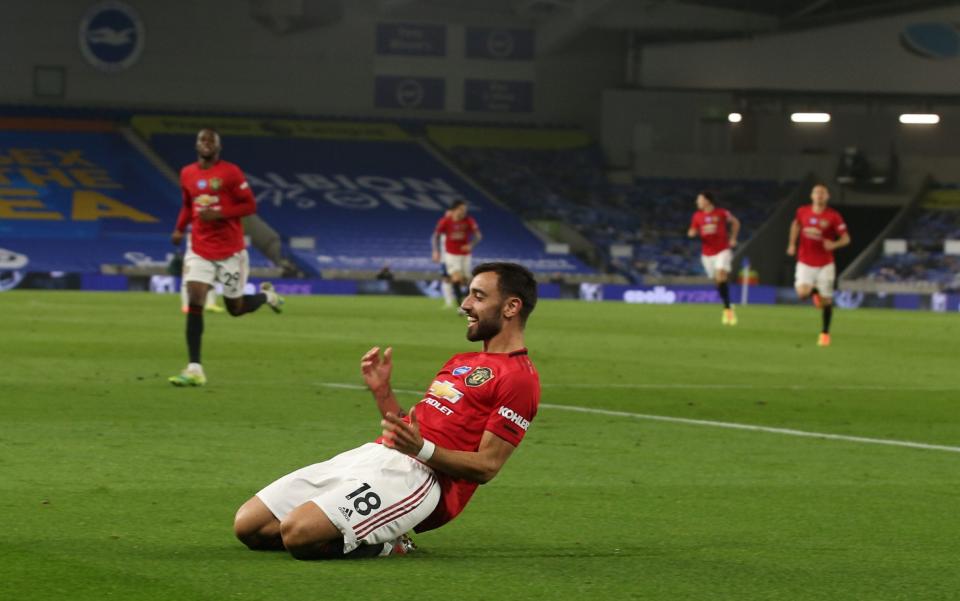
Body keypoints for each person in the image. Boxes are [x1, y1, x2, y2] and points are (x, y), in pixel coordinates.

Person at [233, 262, 540, 560]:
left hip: (422, 479)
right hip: (377, 454)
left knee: (299, 534)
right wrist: (383, 393)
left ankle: (390, 545)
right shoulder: (462, 360)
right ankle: (357, 528)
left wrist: (422, 450)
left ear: (511, 307)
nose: (465, 304)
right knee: (250, 526)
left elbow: (487, 466)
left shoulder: (519, 378)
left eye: (479, 296)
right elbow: (410, 428)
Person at [169, 128, 284, 387]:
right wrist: (179, 228)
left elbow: (249, 206)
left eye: (211, 140)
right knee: (195, 298)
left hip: (230, 251)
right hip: (199, 248)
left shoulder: (231, 173)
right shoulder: (187, 173)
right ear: (196, 144)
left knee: (236, 308)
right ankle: (195, 368)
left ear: (218, 147)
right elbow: (188, 205)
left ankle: (268, 296)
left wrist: (219, 213)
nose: (206, 143)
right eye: (202, 139)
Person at [787, 183, 851, 347]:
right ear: (812, 196)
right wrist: (792, 244)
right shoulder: (802, 211)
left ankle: (824, 333)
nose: (820, 195)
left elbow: (846, 238)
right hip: (805, 261)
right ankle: (815, 292)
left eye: (823, 193)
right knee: (802, 294)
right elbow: (795, 225)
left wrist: (834, 245)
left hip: (825, 264)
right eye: (817, 192)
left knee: (827, 302)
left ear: (827, 196)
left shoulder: (833, 216)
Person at [688, 191, 740, 325]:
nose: (697, 202)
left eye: (699, 199)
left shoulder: (722, 213)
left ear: (707, 201)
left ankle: (728, 309)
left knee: (720, 275)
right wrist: (692, 232)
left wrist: (733, 238)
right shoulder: (697, 216)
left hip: (722, 250)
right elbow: (692, 230)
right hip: (707, 254)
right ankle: (727, 304)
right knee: (718, 282)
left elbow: (735, 223)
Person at [432, 201, 481, 306]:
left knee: (467, 280)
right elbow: (436, 236)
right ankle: (461, 306)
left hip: (465, 254)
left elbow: (478, 236)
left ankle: (468, 302)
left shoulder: (469, 221)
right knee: (456, 278)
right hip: (451, 254)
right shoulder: (445, 221)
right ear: (454, 210)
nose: (464, 211)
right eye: (461, 209)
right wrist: (436, 251)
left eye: (465, 209)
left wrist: (471, 245)